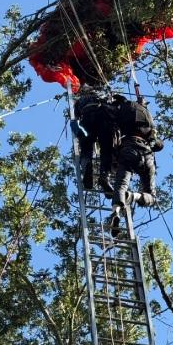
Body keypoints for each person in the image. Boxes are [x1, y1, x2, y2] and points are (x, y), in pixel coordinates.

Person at [108, 95, 163, 235]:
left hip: (128, 149)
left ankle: (116, 212)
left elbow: (112, 131)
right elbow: (159, 144)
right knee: (152, 195)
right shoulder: (147, 118)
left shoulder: (122, 112)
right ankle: (132, 196)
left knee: (120, 185)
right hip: (147, 154)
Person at [73, 86, 117, 192]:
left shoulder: (80, 101)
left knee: (86, 147)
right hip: (103, 118)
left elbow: (76, 117)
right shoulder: (102, 96)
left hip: (87, 117)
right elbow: (112, 107)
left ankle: (86, 165)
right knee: (106, 149)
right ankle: (104, 176)